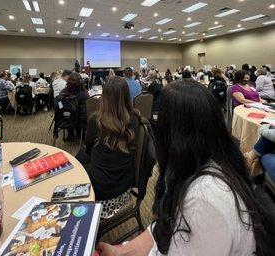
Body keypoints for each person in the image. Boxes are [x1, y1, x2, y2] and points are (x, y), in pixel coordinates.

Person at [97, 80, 275, 256]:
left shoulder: (204, 200)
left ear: (170, 132)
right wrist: (121, 251)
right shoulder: (201, 164)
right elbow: (164, 227)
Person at [77, 76, 139, 217]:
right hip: (124, 189)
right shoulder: (135, 120)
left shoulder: (95, 120)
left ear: (104, 96)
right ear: (126, 95)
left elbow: (87, 149)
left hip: (98, 197)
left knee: (79, 158)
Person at [56, 72, 89, 141]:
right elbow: (86, 109)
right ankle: (81, 134)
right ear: (80, 81)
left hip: (65, 119)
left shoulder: (63, 92)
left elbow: (59, 105)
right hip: (80, 121)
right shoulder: (84, 93)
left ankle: (70, 134)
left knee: (69, 113)